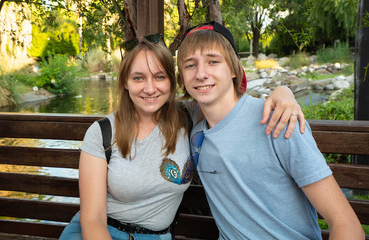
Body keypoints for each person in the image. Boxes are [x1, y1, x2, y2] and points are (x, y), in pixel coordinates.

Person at [59, 32, 305, 240]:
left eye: (159, 77)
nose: (150, 88)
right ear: (125, 82)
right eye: (138, 78)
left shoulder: (189, 117)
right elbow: (92, 221)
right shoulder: (103, 133)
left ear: (172, 81)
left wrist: (283, 92)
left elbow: (229, 100)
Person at [177, 21, 364, 239]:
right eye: (190, 65)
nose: (201, 74)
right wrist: (284, 89)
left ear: (234, 69)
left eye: (213, 61)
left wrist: (284, 91)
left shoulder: (279, 121)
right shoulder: (193, 126)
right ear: (182, 77)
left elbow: (346, 224)